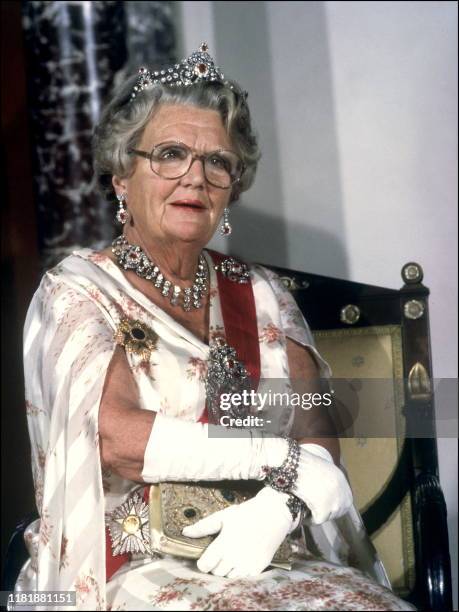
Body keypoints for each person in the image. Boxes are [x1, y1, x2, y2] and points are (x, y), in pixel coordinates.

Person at [17, 44, 415, 611]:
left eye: (217, 162)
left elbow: (316, 432)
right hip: (128, 558)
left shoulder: (263, 295)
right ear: (121, 178)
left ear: (232, 187)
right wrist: (278, 460)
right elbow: (117, 439)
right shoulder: (79, 291)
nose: (195, 178)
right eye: (171, 154)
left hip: (272, 548)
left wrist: (283, 506)